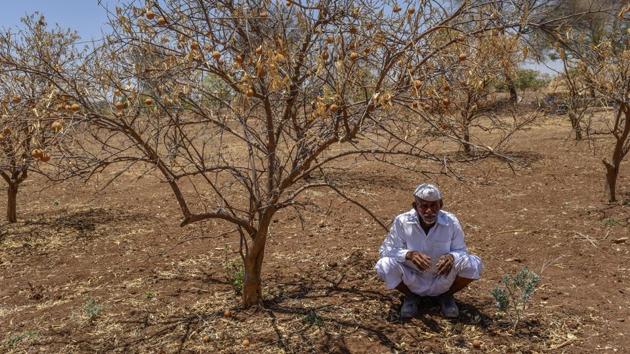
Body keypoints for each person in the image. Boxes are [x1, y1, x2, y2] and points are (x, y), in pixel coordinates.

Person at [375, 183, 483, 319]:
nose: (429, 211)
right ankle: (411, 296)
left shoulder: (451, 222)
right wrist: (408, 254)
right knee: (384, 265)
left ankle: (446, 296)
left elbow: (461, 250)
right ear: (415, 206)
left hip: (442, 278)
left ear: (441, 205)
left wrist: (452, 257)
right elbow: (385, 251)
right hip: (412, 278)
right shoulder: (402, 221)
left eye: (434, 206)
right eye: (424, 206)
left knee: (474, 264)